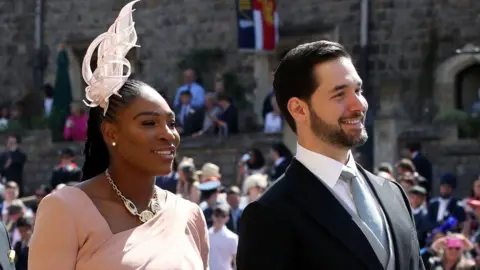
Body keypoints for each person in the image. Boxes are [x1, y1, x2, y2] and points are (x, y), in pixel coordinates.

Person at [28, 1, 209, 269]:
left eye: (171, 123)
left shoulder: (190, 215)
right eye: (149, 123)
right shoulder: (65, 209)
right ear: (111, 132)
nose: (167, 135)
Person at [236, 41, 424, 270]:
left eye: (358, 90)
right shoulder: (269, 215)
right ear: (298, 109)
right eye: (339, 94)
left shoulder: (394, 195)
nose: (359, 105)